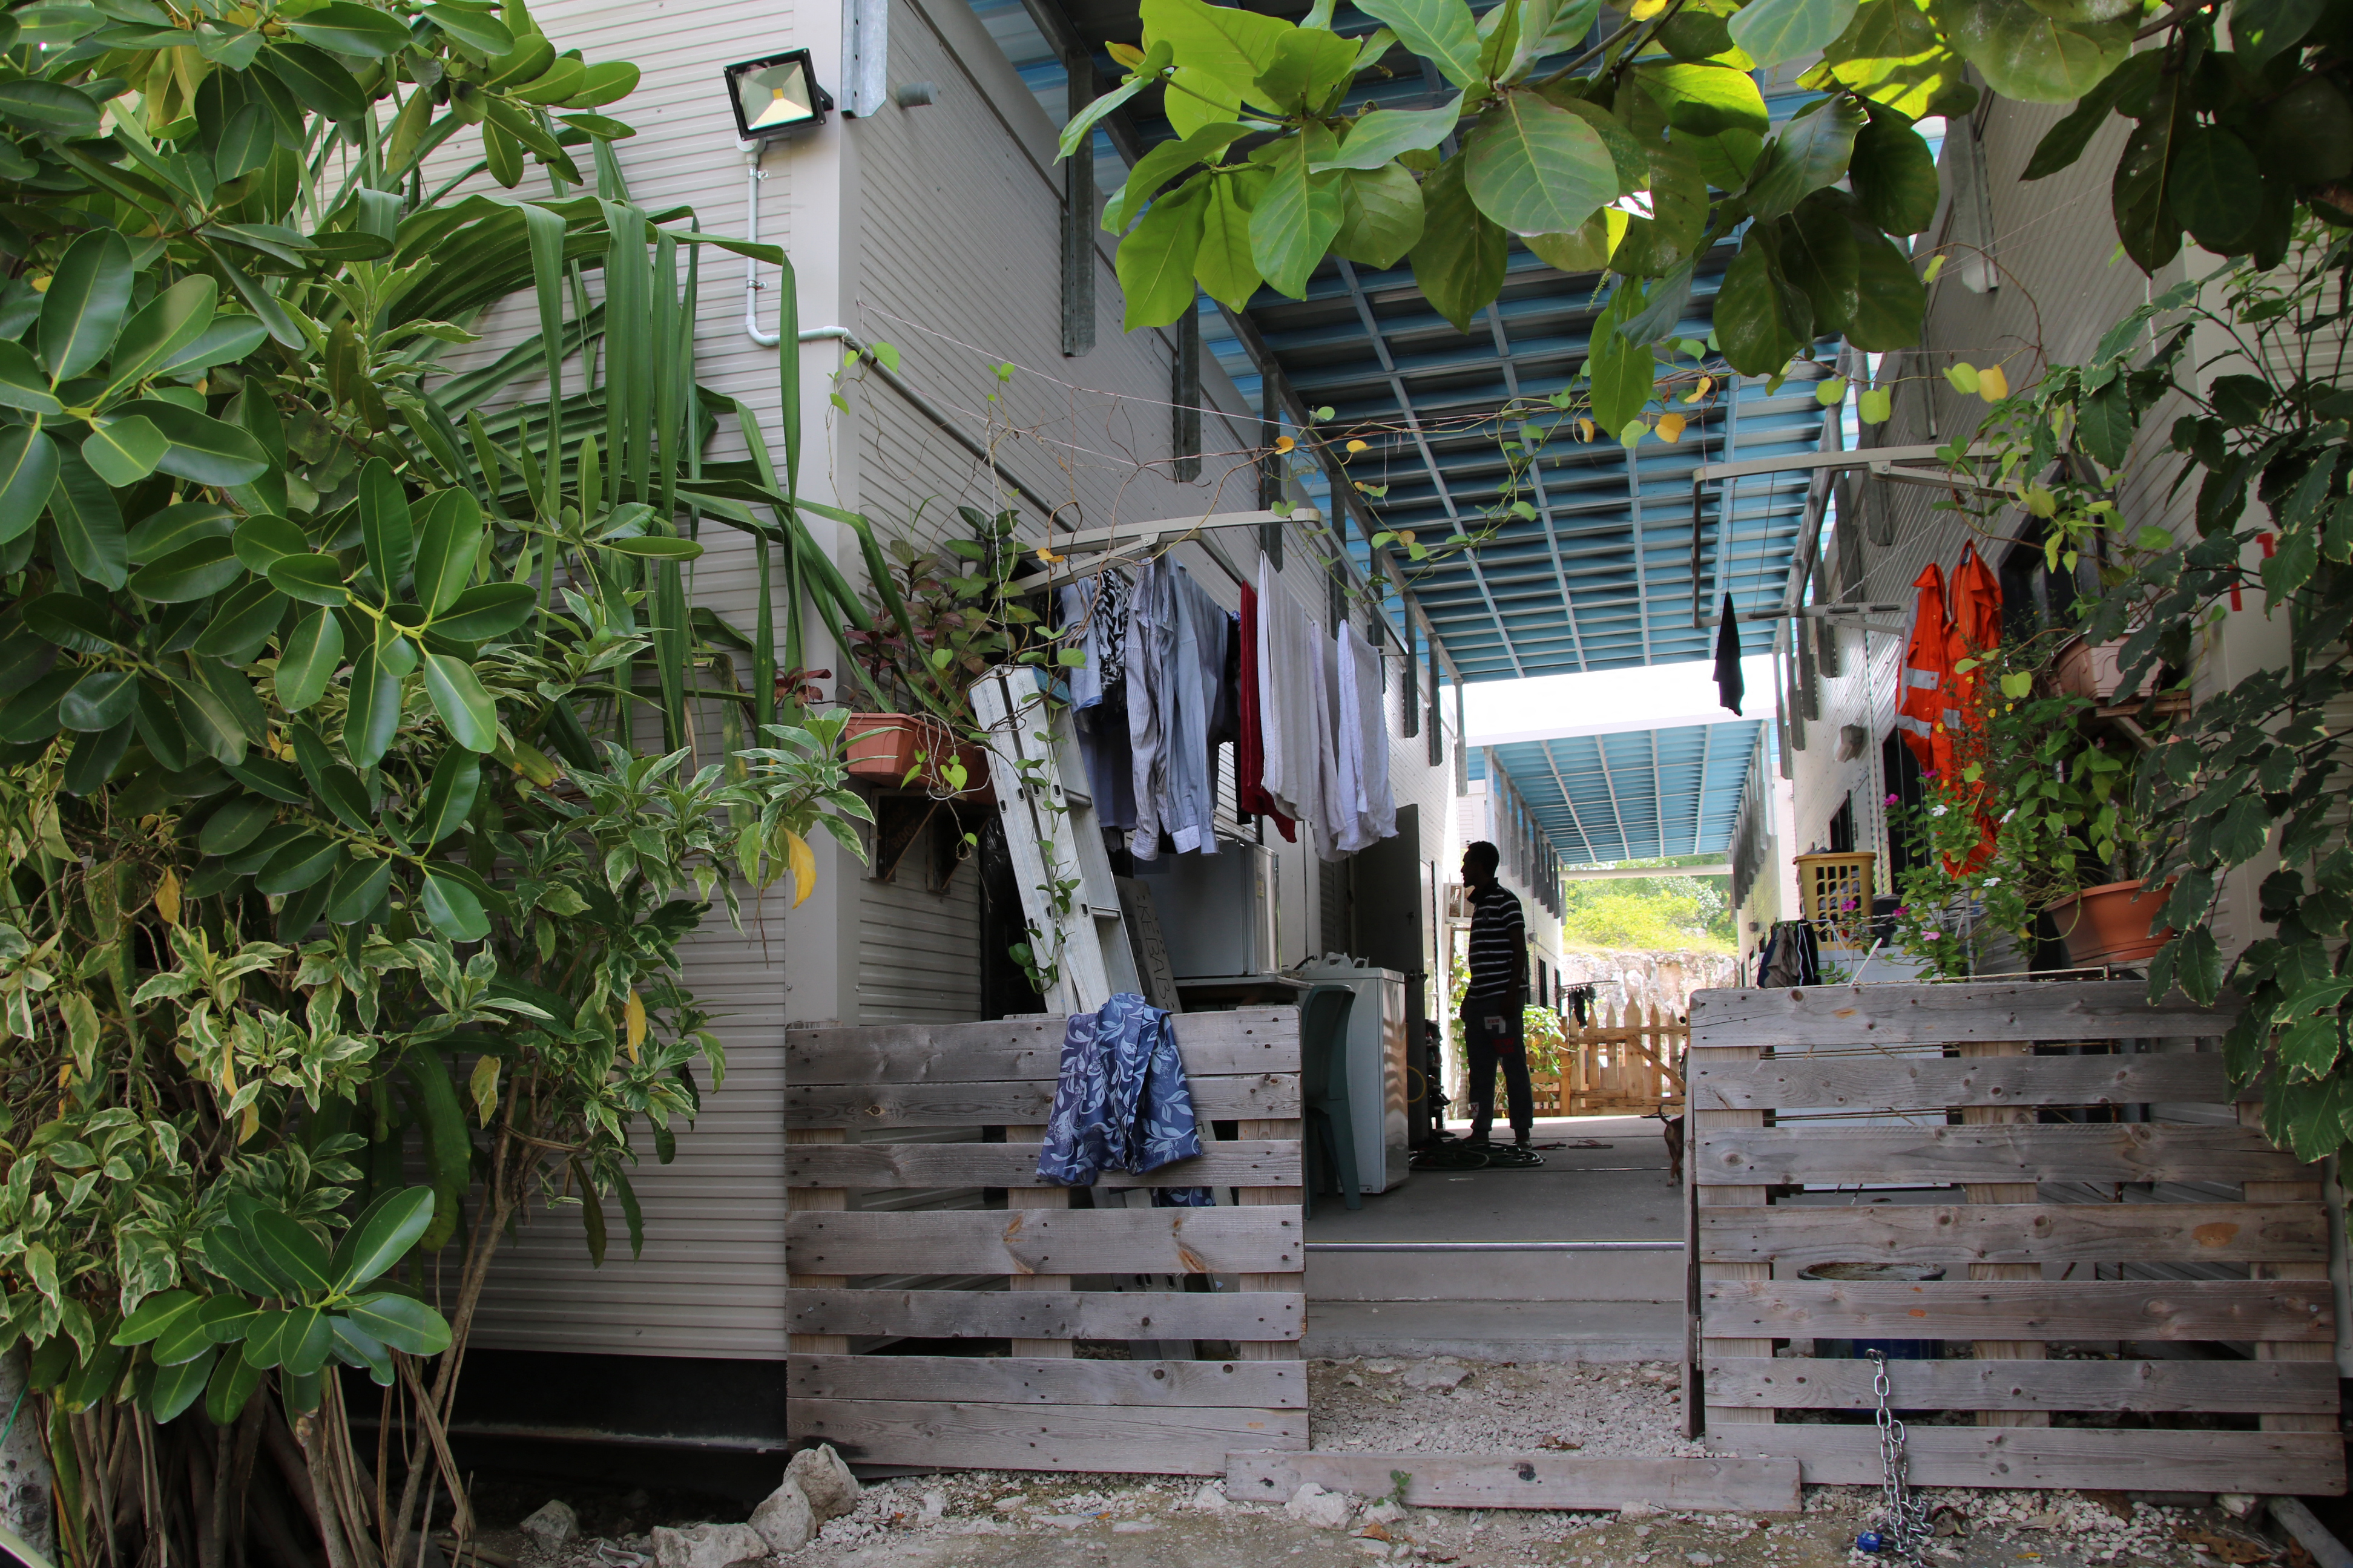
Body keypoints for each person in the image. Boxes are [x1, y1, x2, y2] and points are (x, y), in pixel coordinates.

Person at [1458, 839, 1532, 1147]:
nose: (1463, 870)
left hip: (1501, 1001)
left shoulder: (1506, 902)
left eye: (1466, 863)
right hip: (1480, 999)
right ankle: (1480, 1131)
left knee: (1512, 1065)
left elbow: (1520, 951)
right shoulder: (1480, 905)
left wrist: (1511, 995)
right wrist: (1469, 998)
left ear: (1479, 866)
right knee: (1480, 1069)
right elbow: (1481, 963)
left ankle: (1522, 1134)